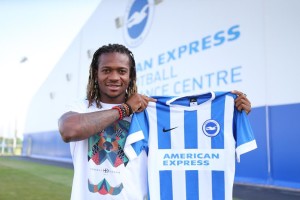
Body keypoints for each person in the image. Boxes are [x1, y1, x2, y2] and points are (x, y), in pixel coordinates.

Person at [58, 43, 252, 200]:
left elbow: (188, 130)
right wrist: (125, 109)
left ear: (130, 75)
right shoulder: (81, 107)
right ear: (95, 73)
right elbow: (69, 130)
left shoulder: (147, 111)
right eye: (106, 70)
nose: (114, 77)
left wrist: (228, 111)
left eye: (122, 71)